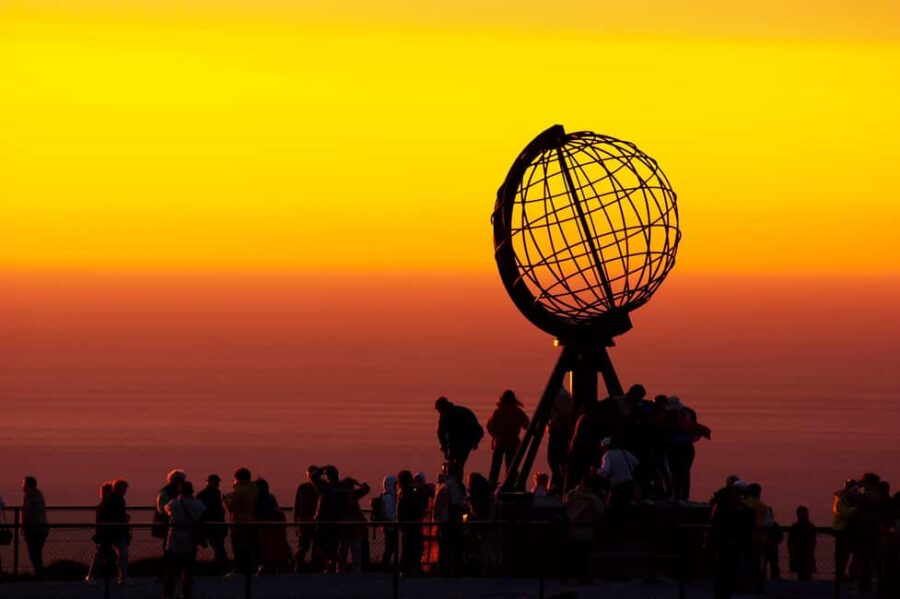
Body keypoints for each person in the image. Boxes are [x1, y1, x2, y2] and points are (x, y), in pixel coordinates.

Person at [163, 481, 205, 599]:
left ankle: (167, 594)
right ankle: (185, 594)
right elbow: (201, 517)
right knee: (187, 571)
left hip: (173, 541)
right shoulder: (198, 504)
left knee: (170, 571)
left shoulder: (173, 503)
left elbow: (167, 512)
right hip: (189, 540)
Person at [664, 396, 711, 501]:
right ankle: (684, 497)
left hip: (675, 448)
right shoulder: (689, 413)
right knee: (685, 473)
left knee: (675, 473)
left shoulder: (670, 416)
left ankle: (675, 496)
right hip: (688, 448)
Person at [564, 473, 604, 584]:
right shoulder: (593, 499)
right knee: (583, 555)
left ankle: (572, 575)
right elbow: (601, 510)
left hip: (572, 530)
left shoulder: (571, 494)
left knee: (575, 554)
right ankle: (582, 577)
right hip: (586, 531)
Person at [486, 390, 530, 489]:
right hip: (513, 443)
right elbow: (527, 425)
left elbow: (489, 426)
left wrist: (495, 435)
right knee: (511, 467)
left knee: (495, 467)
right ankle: (510, 486)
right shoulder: (517, 412)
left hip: (499, 443)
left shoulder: (498, 412)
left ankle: (491, 486)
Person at [223, 467, 259, 577]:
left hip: (239, 524)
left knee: (238, 548)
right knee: (251, 547)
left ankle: (240, 568)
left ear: (237, 478)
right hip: (252, 522)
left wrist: (225, 499)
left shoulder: (238, 490)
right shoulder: (255, 488)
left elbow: (233, 507)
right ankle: (252, 567)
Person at [433, 462, 466, 577]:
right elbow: (456, 503)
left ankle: (443, 571)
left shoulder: (441, 485)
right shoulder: (454, 486)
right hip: (452, 522)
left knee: (444, 549)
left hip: (442, 522)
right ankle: (455, 571)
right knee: (456, 548)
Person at [435, 396, 484, 473]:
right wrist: (444, 447)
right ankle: (452, 478)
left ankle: (457, 481)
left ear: (445, 407)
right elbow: (440, 432)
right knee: (451, 463)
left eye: (440, 411)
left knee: (459, 463)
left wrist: (476, 441)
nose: (440, 413)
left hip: (466, 441)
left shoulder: (462, 414)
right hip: (454, 441)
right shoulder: (444, 415)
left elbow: (476, 428)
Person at [255, 478, 293, 574]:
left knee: (266, 550)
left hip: (265, 528)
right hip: (275, 528)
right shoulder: (271, 498)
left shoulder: (258, 499)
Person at [397, 469, 428, 576]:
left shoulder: (402, 492)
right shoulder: (409, 493)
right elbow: (419, 505)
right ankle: (412, 569)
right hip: (413, 524)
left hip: (406, 525)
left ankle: (404, 569)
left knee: (407, 549)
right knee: (415, 547)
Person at [597, 437, 639, 514]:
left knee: (613, 508)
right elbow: (636, 462)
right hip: (629, 484)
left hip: (618, 487)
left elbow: (606, 470)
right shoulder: (624, 452)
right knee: (627, 507)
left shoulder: (607, 455)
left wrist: (596, 471)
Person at [336, 477, 370, 574]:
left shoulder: (339, 496)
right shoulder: (352, 495)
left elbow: (366, 489)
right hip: (354, 528)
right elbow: (366, 489)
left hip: (346, 529)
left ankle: (341, 571)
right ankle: (355, 571)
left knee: (343, 552)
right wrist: (358, 483)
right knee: (353, 552)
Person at [197, 474, 229, 574]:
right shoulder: (215, 494)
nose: (218, 484)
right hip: (215, 525)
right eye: (216, 482)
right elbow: (220, 511)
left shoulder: (201, 495)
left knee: (218, 547)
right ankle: (222, 567)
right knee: (219, 547)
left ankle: (220, 567)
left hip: (210, 525)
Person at [85, 482, 114, 585]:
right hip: (105, 534)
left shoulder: (102, 506)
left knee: (106, 555)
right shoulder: (104, 506)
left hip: (105, 534)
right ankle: (91, 576)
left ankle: (92, 576)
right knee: (101, 556)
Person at [547, 386, 573, 495]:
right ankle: (559, 483)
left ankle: (558, 483)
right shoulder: (566, 395)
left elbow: (559, 413)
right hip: (564, 430)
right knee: (561, 460)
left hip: (557, 430)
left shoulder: (558, 395)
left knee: (552, 459)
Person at [293, 465, 319, 572]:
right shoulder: (304, 488)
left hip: (310, 522)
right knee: (304, 546)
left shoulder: (304, 488)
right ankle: (299, 566)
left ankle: (305, 566)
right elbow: (297, 505)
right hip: (307, 522)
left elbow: (297, 506)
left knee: (311, 547)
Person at [21, 476, 49, 578]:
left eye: (23, 484)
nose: (22, 486)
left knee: (34, 554)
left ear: (28, 485)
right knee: (36, 553)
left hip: (35, 529)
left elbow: (28, 513)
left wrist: (23, 526)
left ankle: (40, 574)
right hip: (41, 528)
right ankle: (40, 573)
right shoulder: (38, 494)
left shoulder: (31, 496)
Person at [106, 479, 132, 585]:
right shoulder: (117, 499)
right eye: (123, 488)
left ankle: (121, 577)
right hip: (118, 530)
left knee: (120, 554)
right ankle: (122, 578)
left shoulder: (114, 498)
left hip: (116, 530)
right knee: (123, 554)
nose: (125, 490)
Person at [154, 470, 186, 547]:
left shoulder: (166, 491)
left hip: (170, 521)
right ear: (175, 480)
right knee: (168, 542)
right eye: (182, 480)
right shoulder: (167, 492)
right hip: (167, 522)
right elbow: (162, 509)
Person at [788, 505, 816, 580]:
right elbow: (813, 542)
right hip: (805, 553)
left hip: (802, 553)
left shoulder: (795, 527)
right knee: (806, 574)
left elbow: (790, 542)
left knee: (803, 574)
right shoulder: (810, 527)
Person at [377, 475, 398, 570]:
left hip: (388, 527)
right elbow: (389, 514)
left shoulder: (385, 496)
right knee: (389, 548)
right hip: (391, 527)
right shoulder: (389, 498)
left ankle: (386, 565)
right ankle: (385, 566)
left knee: (389, 548)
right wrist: (396, 520)